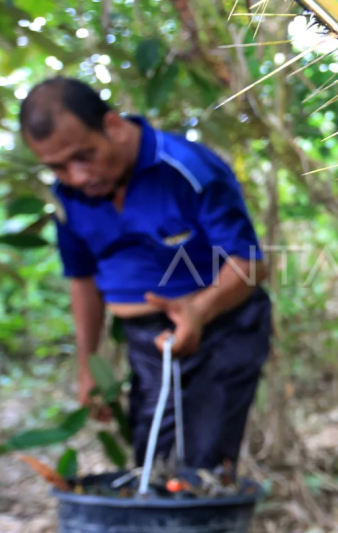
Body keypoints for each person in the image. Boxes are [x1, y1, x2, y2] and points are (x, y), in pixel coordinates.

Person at [19, 77, 272, 471]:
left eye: (84, 155)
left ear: (113, 126)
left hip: (223, 326)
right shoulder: (67, 199)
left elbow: (251, 264)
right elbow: (82, 280)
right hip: (145, 343)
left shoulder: (187, 169)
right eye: (58, 166)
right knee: (151, 463)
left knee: (201, 465)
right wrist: (89, 365)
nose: (77, 176)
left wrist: (199, 311)